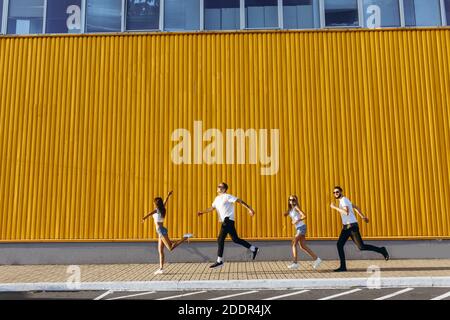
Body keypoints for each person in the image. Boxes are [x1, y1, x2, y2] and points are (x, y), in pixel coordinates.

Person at [197, 182, 259, 269]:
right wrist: (202, 212)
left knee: (220, 239)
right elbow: (212, 208)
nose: (218, 187)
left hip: (228, 220)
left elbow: (239, 201)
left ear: (224, 189)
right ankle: (253, 248)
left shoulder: (227, 196)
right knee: (235, 239)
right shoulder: (217, 199)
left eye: (220, 186)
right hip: (226, 221)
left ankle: (220, 261)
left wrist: (250, 209)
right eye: (218, 186)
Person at [330, 186, 389, 272]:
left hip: (351, 226)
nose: (336, 194)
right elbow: (356, 207)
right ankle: (343, 267)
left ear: (341, 192)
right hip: (346, 227)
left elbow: (346, 212)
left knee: (361, 247)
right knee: (339, 245)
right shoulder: (345, 200)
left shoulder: (343, 200)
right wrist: (363, 217)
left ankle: (381, 250)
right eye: (334, 192)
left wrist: (334, 208)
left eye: (337, 192)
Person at [142, 191, 193, 275]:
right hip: (161, 231)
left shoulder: (157, 210)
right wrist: (168, 196)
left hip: (161, 231)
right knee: (160, 250)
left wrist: (144, 218)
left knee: (170, 248)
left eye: (154, 203)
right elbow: (165, 202)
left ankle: (186, 237)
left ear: (156, 204)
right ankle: (161, 268)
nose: (153, 204)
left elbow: (149, 213)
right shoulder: (162, 209)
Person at [284, 195, 322, 270]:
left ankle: (295, 263)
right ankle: (317, 259)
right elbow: (286, 213)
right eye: (290, 200)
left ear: (296, 200)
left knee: (293, 243)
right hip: (299, 228)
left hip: (301, 227)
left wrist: (296, 220)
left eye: (293, 200)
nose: (292, 201)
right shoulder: (291, 209)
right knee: (302, 246)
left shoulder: (296, 207)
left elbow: (304, 216)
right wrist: (286, 213)